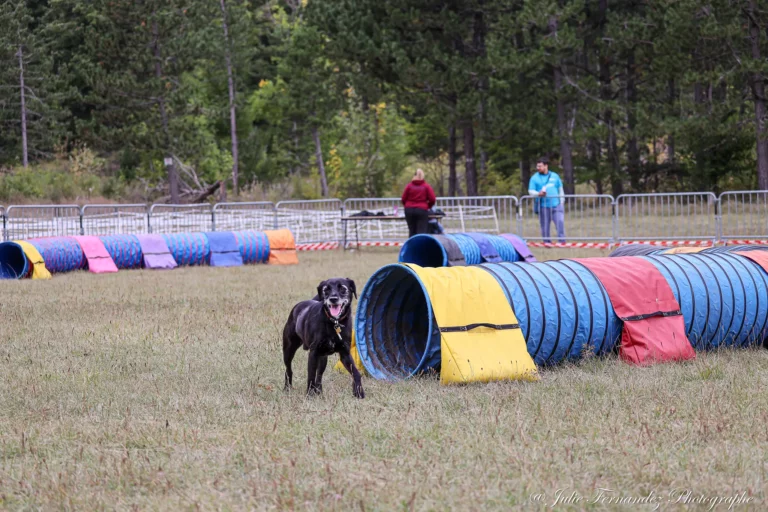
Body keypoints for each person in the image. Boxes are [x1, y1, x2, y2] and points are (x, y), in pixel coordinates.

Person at [528, 156, 566, 243]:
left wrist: (562, 201)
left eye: (540, 166)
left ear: (546, 166)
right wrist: (538, 194)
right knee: (545, 226)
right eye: (537, 166)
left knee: (560, 223)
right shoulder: (534, 178)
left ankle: (562, 241)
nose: (538, 168)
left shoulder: (555, 176)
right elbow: (530, 191)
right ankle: (547, 242)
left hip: (556, 205)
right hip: (543, 206)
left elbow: (560, 189)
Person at [401, 168, 436, 238]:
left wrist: (407, 206)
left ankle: (411, 247)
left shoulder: (409, 186)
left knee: (412, 231)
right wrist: (428, 206)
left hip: (409, 210)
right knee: (421, 231)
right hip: (422, 210)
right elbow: (432, 199)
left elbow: (403, 198)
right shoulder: (426, 186)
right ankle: (420, 247)